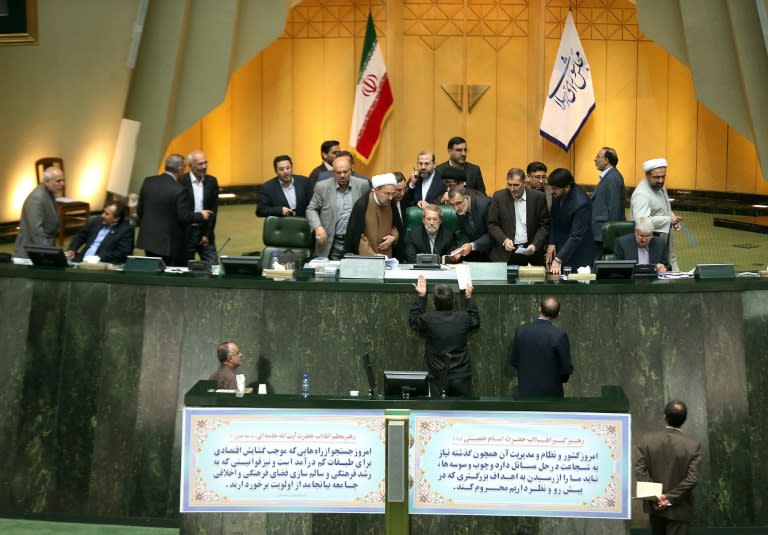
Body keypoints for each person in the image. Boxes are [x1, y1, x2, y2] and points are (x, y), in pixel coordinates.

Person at [634, 400, 702, 535]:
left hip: (654, 507)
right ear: (685, 420)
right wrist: (668, 498)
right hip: (680, 509)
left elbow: (640, 471)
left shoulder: (646, 441)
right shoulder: (693, 447)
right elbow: (692, 479)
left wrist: (657, 497)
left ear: (665, 417)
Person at [136, 154, 212, 266]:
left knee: (152, 270)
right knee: (169, 272)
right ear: (180, 169)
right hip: (168, 242)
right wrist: (201, 215)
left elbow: (140, 210)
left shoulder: (148, 182)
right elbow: (184, 217)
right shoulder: (179, 189)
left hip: (148, 239)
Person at [409, 274, 479, 396]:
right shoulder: (463, 318)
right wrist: (468, 298)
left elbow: (414, 320)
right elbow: (475, 320)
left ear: (435, 303)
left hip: (436, 377)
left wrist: (421, 297)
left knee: (436, 413)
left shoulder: (428, 319)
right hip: (461, 377)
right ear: (453, 300)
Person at [306, 154, 370, 259]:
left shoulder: (362, 185)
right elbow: (311, 209)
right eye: (338, 172)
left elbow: (370, 209)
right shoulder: (322, 186)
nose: (342, 175)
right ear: (333, 172)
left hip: (355, 241)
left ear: (351, 170)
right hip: (331, 243)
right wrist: (317, 227)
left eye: (345, 172)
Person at [510, 296, 573, 397]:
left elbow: (514, 361)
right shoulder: (559, 336)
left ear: (539, 309)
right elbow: (565, 369)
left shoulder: (521, 331)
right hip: (551, 396)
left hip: (526, 393)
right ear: (558, 315)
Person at [488, 168, 550, 265]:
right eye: (509, 184)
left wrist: (535, 244)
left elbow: (545, 225)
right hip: (506, 253)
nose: (512, 189)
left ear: (524, 183)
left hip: (531, 252)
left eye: (516, 185)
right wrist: (504, 240)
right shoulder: (499, 197)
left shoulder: (538, 197)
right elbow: (492, 224)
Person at [631, 158, 682, 271]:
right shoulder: (641, 195)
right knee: (657, 268)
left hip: (665, 236)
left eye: (663, 176)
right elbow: (641, 222)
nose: (661, 180)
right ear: (647, 175)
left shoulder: (659, 185)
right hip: (649, 241)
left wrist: (673, 219)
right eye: (656, 177)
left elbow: (664, 206)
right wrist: (668, 220)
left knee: (670, 262)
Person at [546, 168, 595, 275]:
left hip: (578, 253)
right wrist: (552, 242)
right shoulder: (558, 192)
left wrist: (559, 258)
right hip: (561, 247)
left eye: (554, 188)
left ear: (567, 187)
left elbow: (576, 236)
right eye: (551, 188)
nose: (551, 191)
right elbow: (554, 218)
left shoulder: (581, 203)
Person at [13, 166, 65, 258]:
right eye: (58, 181)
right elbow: (36, 231)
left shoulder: (49, 192)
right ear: (46, 181)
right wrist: (46, 250)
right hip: (30, 251)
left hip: (42, 246)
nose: (62, 183)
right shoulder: (36, 198)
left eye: (62, 180)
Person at [344, 173, 399, 257]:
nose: (390, 197)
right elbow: (357, 237)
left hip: (388, 257)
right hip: (368, 258)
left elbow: (397, 226)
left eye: (393, 193)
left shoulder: (391, 202)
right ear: (376, 190)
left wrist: (393, 237)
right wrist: (374, 256)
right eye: (387, 193)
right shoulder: (362, 205)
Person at [179, 150, 219, 263]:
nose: (204, 166)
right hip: (186, 233)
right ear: (191, 166)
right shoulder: (181, 181)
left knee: (213, 267)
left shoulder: (212, 181)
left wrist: (207, 234)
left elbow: (213, 210)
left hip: (205, 231)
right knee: (184, 267)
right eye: (200, 164)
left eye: (206, 163)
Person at [64, 201, 134, 263]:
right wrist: (72, 249)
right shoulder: (97, 221)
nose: (102, 215)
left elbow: (123, 253)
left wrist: (99, 257)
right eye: (103, 212)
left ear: (116, 218)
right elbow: (81, 235)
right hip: (81, 260)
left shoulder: (125, 230)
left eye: (107, 214)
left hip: (103, 264)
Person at [591, 146, 626, 259]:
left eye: (597, 157)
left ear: (606, 160)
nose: (595, 159)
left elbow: (615, 209)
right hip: (601, 234)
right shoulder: (609, 177)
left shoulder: (613, 178)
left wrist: (611, 235)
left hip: (605, 235)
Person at [447, 187, 493, 262]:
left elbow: (493, 234)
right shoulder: (460, 210)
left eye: (458, 203)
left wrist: (472, 245)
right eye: (452, 205)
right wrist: (460, 249)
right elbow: (465, 232)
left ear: (467, 197)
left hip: (494, 253)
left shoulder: (485, 205)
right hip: (478, 255)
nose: (456, 208)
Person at [391, 172, 409, 262]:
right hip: (391, 250)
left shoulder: (404, 197)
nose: (401, 193)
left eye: (404, 189)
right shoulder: (386, 203)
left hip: (403, 249)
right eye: (398, 190)